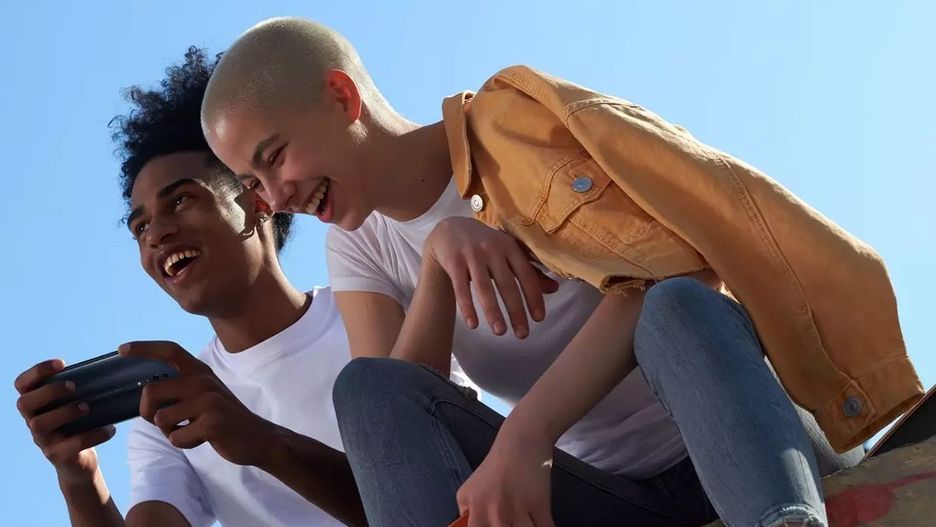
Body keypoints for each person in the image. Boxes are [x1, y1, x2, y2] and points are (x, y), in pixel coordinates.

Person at [199, 18, 907, 527]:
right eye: (253, 184)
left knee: (675, 305)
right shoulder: (359, 246)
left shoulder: (514, 128)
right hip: (615, 495)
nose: (275, 197)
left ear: (341, 97)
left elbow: (679, 277)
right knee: (365, 385)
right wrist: (439, 258)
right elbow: (396, 415)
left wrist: (525, 433)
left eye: (274, 157)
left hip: (750, 441)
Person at [13, 48, 365, 527]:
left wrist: (264, 442)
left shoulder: (370, 308)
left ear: (257, 199)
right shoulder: (169, 413)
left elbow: (436, 488)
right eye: (140, 227)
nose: (155, 235)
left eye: (180, 200)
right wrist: (79, 477)